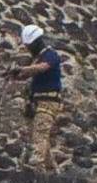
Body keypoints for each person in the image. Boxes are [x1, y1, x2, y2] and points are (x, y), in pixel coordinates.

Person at [12, 23, 62, 170]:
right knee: (38, 135)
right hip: (36, 100)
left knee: (40, 133)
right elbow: (29, 73)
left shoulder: (50, 55)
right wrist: (16, 74)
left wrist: (22, 69)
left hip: (48, 101)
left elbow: (42, 68)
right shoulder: (37, 58)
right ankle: (52, 171)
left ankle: (36, 167)